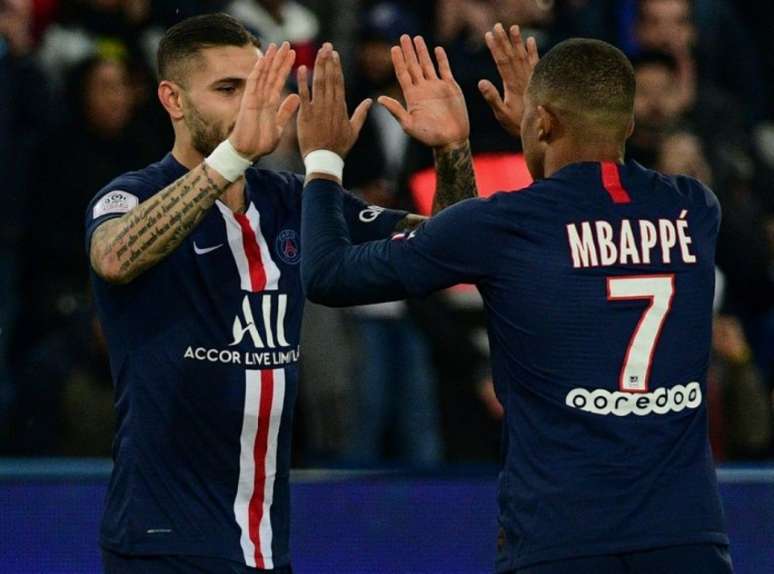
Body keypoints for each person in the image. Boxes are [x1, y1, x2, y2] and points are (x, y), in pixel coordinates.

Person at [300, 24, 732, 574]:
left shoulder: (506, 227)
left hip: (561, 539)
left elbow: (329, 275)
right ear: (627, 121)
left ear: (545, 120)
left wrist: (321, 160)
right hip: (687, 538)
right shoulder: (696, 209)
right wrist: (538, 131)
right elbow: (576, 210)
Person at [85, 12, 476, 573]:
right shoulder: (131, 194)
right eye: (228, 89)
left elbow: (448, 251)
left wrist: (451, 152)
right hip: (162, 542)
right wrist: (232, 156)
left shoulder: (295, 200)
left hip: (266, 545)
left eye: (260, 85)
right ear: (173, 99)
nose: (252, 105)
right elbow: (115, 257)